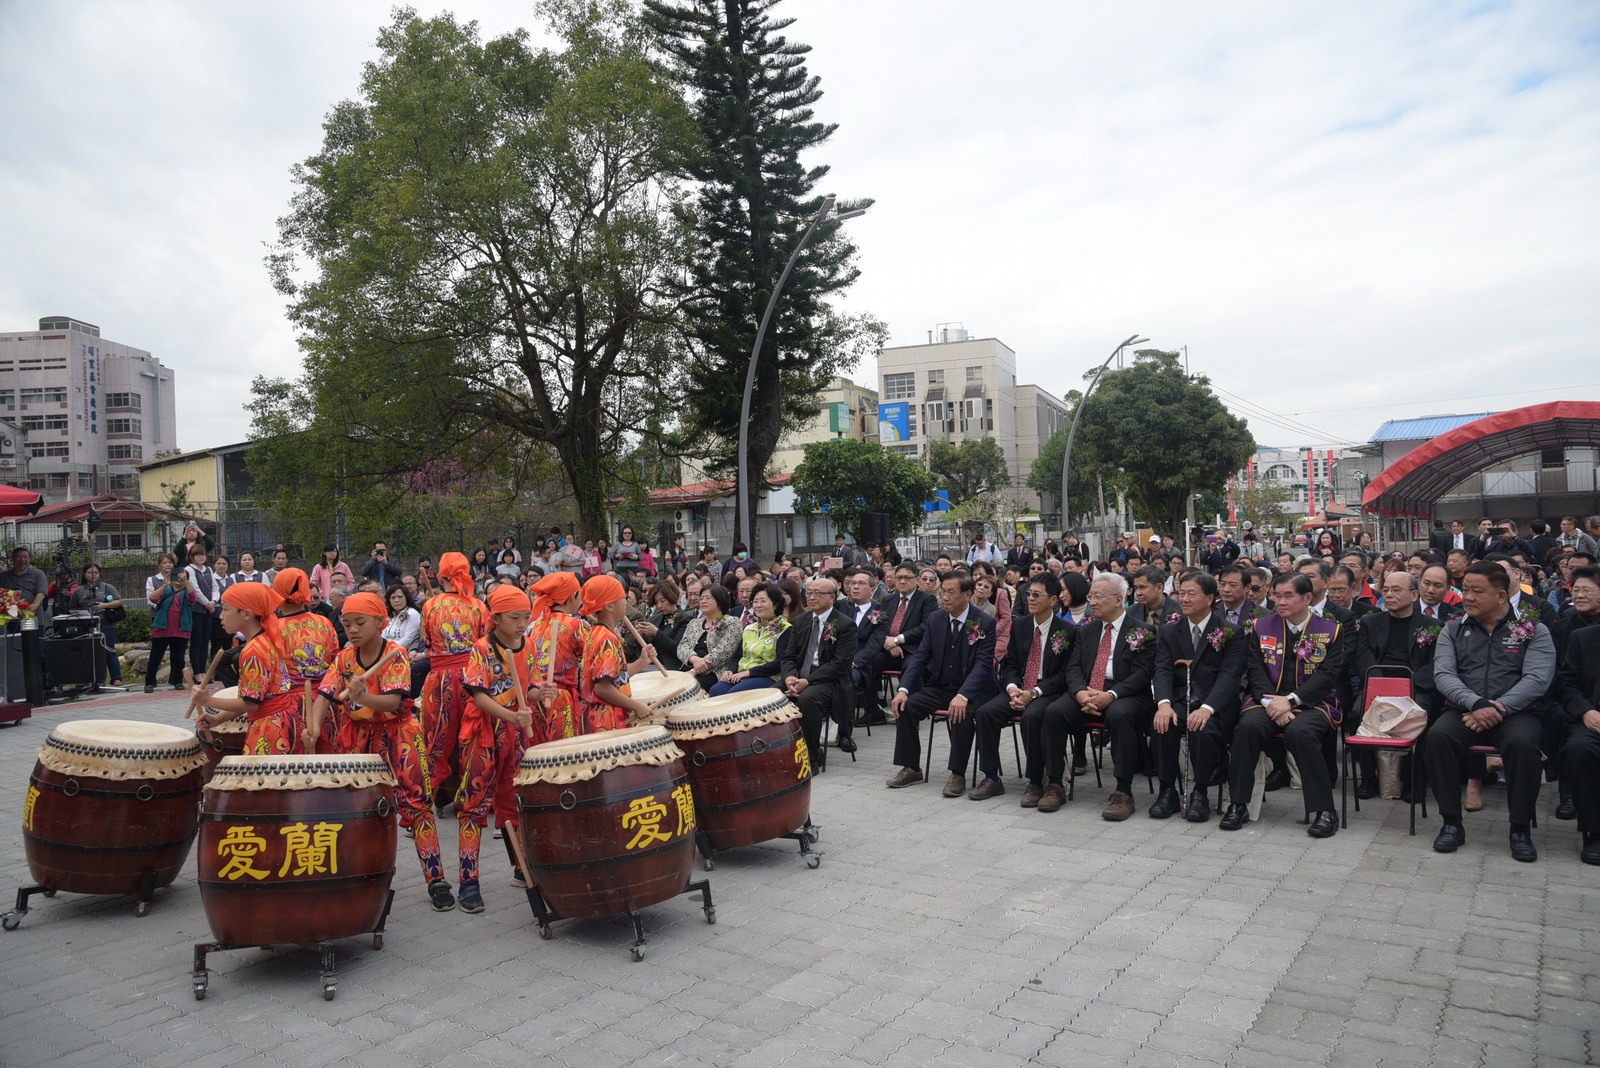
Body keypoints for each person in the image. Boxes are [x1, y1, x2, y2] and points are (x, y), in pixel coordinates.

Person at [303, 590, 451, 909]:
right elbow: (325, 696)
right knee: (358, 808)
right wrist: (313, 727)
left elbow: (393, 702)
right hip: (361, 738)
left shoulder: (395, 654)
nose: (353, 629)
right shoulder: (344, 658)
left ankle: (436, 879)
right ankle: (361, 878)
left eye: (360, 622)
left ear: (380, 622)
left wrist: (362, 696)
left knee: (417, 805)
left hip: (399, 735)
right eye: (347, 623)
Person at [1426, 562, 1556, 862]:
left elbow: (1537, 679)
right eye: (1466, 590)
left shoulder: (1533, 629)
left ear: (1500, 596)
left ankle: (1520, 829)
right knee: (1437, 738)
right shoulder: (1453, 628)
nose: (1467, 597)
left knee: (1523, 745)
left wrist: (1498, 706)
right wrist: (1476, 703)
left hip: (1517, 712)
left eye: (1477, 591)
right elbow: (1444, 675)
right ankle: (1451, 822)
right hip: (1465, 709)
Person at [1220, 572, 1346, 837]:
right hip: (1265, 700)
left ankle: (1325, 811)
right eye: (1277, 595)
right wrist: (1271, 703)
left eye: (1288, 595)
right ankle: (1238, 804)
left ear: (1307, 598)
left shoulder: (1330, 630)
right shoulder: (1260, 626)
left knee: (1300, 732)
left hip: (1313, 702)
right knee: (1247, 728)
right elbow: (1254, 669)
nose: (1281, 601)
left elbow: (1327, 676)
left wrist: (1290, 701)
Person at [454, 584, 541, 914]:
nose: (522, 624)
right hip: (483, 735)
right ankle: (468, 881)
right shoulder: (481, 648)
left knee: (513, 800)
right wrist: (513, 715)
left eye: (526, 617)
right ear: (495, 618)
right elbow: (479, 697)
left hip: (515, 733)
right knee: (474, 805)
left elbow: (528, 687)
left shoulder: (528, 644)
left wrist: (538, 693)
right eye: (515, 618)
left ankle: (520, 867)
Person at [1047, 574, 1158, 820]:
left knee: (1120, 714)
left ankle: (1123, 791)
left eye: (1098, 596)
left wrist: (1111, 694)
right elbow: (1073, 668)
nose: (1092, 602)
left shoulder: (1143, 631)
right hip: (1088, 690)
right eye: (1090, 597)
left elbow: (1141, 674)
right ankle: (1055, 783)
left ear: (1119, 599)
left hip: (1124, 692)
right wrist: (1079, 692)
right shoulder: (1085, 631)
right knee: (1054, 712)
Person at [885, 572, 996, 793]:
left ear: (967, 594)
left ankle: (957, 774)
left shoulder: (984, 622)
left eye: (951, 593)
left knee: (961, 712)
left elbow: (983, 665)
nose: (944, 597)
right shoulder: (936, 619)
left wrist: (963, 695)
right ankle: (911, 768)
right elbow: (921, 657)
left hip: (973, 690)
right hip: (941, 685)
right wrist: (903, 689)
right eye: (943, 591)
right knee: (906, 706)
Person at [970, 573, 1075, 803]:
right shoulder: (1020, 625)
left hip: (1046, 692)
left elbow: (1064, 675)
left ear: (1053, 600)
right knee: (985, 713)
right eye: (1028, 594)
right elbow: (1010, 663)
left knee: (1032, 715)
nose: (1030, 598)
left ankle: (1036, 782)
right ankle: (991, 777)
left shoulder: (1067, 630)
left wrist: (1033, 693)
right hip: (1018, 689)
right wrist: (1011, 688)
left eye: (1037, 595)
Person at [1151, 571, 1247, 822]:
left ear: (1209, 598)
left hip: (1216, 704)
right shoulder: (1170, 630)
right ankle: (1167, 790)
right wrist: (1164, 704)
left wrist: (1207, 708)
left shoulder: (1230, 632)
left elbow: (1229, 677)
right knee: (1162, 725)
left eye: (1191, 594)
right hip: (1180, 700)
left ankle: (1201, 791)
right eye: (1181, 593)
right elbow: (1161, 669)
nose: (1184, 599)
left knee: (1202, 729)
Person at [194, 583, 301, 755]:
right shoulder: (268, 639)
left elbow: (251, 704)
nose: (220, 616)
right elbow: (255, 698)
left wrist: (207, 701)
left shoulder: (253, 650)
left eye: (226, 610)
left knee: (264, 780)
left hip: (270, 729)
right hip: (281, 721)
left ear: (246, 614)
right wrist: (217, 719)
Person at [420, 552, 492, 808]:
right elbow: (486, 641)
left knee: (436, 737)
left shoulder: (430, 606)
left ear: (440, 577)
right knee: (474, 735)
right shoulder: (478, 605)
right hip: (473, 681)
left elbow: (427, 640)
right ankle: (475, 794)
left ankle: (427, 796)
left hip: (439, 680)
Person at [776, 577, 858, 772]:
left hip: (829, 681)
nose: (811, 597)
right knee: (771, 697)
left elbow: (840, 664)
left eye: (817, 593)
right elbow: (789, 656)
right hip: (799, 676)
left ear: (832, 597)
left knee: (807, 699)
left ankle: (811, 758)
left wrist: (808, 681)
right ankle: (782, 752)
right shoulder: (801, 621)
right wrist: (789, 677)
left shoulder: (844, 624)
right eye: (808, 593)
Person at [270, 568, 342, 750]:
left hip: (290, 706)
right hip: (327, 701)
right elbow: (335, 662)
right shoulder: (324, 622)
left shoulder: (273, 629)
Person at [579, 574, 661, 728]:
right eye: (622, 598)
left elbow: (615, 677)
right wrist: (635, 705)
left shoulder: (597, 633)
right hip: (606, 720)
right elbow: (602, 688)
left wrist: (642, 662)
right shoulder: (606, 640)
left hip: (600, 717)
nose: (626, 602)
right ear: (609, 606)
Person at [710, 582, 790, 696]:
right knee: (716, 690)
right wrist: (730, 671)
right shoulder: (749, 628)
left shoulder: (784, 628)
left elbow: (781, 661)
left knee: (735, 694)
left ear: (775, 604)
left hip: (768, 676)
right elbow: (739, 655)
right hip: (743, 674)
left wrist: (749, 673)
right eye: (755, 601)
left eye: (763, 601)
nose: (758, 605)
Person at [676, 585, 742, 694]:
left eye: (708, 598)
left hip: (714, 673)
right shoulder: (694, 623)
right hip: (688, 668)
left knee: (683, 690)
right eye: (701, 598)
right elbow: (682, 646)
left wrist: (694, 671)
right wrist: (693, 659)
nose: (703, 601)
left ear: (720, 600)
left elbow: (723, 653)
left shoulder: (732, 623)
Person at [69, 562, 125, 686]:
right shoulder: (79, 590)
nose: (93, 575)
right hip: (86, 626)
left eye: (95, 572)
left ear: (99, 574)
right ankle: (85, 678)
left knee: (109, 650)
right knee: (85, 652)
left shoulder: (107, 587)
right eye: (90, 572)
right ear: (84, 574)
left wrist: (104, 605)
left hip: (106, 624)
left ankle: (116, 677)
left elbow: (119, 601)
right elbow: (72, 607)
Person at [144, 563, 197, 692]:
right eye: (176, 577)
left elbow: (193, 598)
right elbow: (153, 598)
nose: (178, 580)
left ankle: (177, 680)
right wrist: (164, 584)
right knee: (155, 656)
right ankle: (150, 682)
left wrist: (186, 581)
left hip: (181, 628)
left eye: (181, 578)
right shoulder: (166, 589)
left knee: (178, 657)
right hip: (162, 628)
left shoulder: (187, 590)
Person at [181, 544, 223, 678]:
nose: (201, 556)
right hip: (196, 610)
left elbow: (215, 587)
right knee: (196, 642)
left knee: (205, 642)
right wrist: (207, 603)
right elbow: (195, 590)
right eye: (197, 554)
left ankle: (204, 671)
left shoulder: (209, 569)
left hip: (208, 611)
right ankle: (197, 672)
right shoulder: (189, 569)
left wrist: (214, 602)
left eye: (203, 554)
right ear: (192, 557)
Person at [635, 579, 693, 671]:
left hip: (672, 667)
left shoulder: (685, 619)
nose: (659, 606)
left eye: (662, 601)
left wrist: (656, 633)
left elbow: (677, 649)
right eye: (656, 602)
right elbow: (646, 649)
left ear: (672, 598)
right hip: (651, 665)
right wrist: (639, 636)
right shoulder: (655, 619)